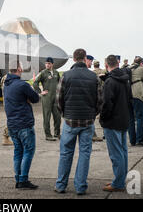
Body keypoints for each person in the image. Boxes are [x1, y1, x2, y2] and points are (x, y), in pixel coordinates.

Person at [55, 49, 102, 195]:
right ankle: (80, 186)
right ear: (84, 58)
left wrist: (65, 114)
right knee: (84, 153)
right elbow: (100, 100)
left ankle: (61, 185)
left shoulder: (66, 76)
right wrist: (93, 114)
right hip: (87, 121)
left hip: (70, 120)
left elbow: (58, 99)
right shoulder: (94, 77)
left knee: (65, 153)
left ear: (74, 59)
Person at [4, 60, 40, 190]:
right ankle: (23, 179)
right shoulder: (22, 85)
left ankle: (18, 178)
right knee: (28, 150)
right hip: (24, 123)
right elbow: (35, 98)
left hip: (12, 124)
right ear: (19, 69)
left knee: (18, 151)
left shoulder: (6, 84)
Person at [100, 55, 131, 192]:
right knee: (123, 152)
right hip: (124, 119)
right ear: (117, 64)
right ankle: (119, 180)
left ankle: (118, 183)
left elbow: (107, 104)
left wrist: (103, 118)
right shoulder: (125, 79)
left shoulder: (110, 82)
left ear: (106, 65)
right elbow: (129, 99)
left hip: (112, 122)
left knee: (116, 154)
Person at [33, 57, 61, 141]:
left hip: (56, 98)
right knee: (47, 117)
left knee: (57, 117)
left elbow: (60, 83)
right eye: (46, 63)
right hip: (47, 98)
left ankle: (57, 133)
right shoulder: (43, 73)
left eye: (49, 63)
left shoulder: (56, 72)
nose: (47, 65)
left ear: (52, 64)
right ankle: (48, 135)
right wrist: (40, 91)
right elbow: (35, 83)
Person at [129, 56, 143, 147]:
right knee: (140, 117)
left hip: (128, 95)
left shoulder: (128, 68)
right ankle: (139, 140)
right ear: (141, 63)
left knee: (130, 119)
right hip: (137, 94)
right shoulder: (142, 69)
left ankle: (132, 140)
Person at [85, 55, 103, 142]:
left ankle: (93, 134)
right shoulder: (90, 74)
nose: (91, 63)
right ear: (87, 60)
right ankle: (93, 135)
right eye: (90, 61)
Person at [0, 74, 13, 146]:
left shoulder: (5, 77)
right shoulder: (9, 78)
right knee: (12, 120)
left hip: (7, 101)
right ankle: (6, 137)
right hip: (10, 102)